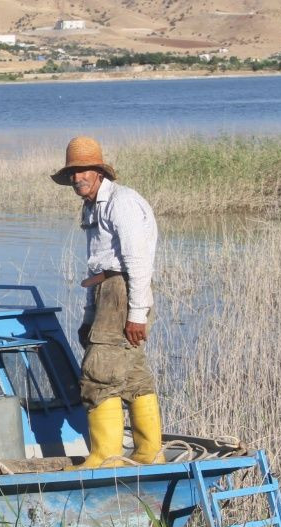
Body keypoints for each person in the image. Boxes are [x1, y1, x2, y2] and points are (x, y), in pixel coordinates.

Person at [51, 136, 163, 468]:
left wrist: (137, 314)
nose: (77, 178)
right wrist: (89, 314)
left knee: (97, 373)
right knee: (132, 375)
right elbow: (96, 265)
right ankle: (149, 453)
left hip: (123, 292)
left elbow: (138, 262)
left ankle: (106, 459)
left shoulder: (122, 202)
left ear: (99, 171)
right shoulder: (92, 206)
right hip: (107, 292)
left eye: (83, 170)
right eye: (72, 172)